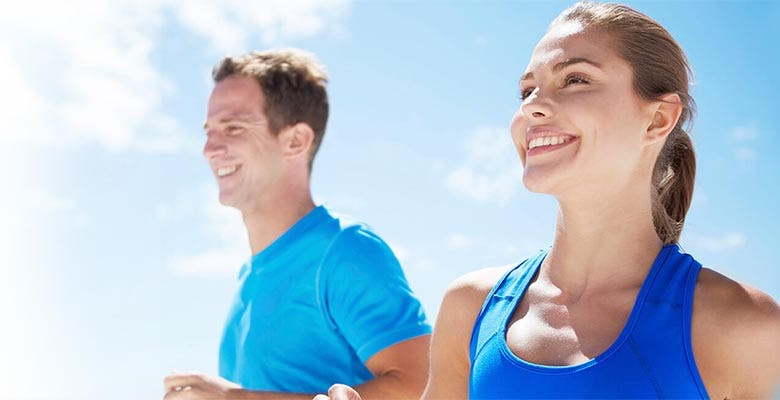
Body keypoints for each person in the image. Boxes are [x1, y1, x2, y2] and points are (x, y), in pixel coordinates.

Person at [318, 2, 780, 399]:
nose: (532, 106)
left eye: (576, 79)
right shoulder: (471, 307)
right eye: (526, 90)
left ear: (658, 119)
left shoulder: (742, 325)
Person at [163, 49, 432, 400]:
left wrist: (238, 399)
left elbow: (424, 386)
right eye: (209, 131)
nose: (210, 148)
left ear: (295, 141)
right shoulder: (249, 279)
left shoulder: (345, 250)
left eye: (232, 128)